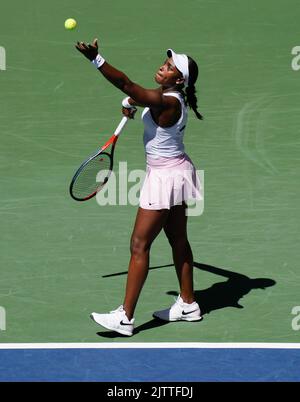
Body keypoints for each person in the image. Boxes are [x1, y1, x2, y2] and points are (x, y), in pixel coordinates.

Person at [75, 39, 203, 336]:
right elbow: (140, 97)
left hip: (163, 179)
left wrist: (97, 60)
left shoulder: (167, 102)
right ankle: (188, 303)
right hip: (179, 171)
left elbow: (128, 85)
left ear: (179, 79)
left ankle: (125, 317)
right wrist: (131, 103)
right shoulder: (168, 96)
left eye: (170, 67)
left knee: (139, 245)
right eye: (166, 62)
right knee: (178, 240)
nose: (164, 66)